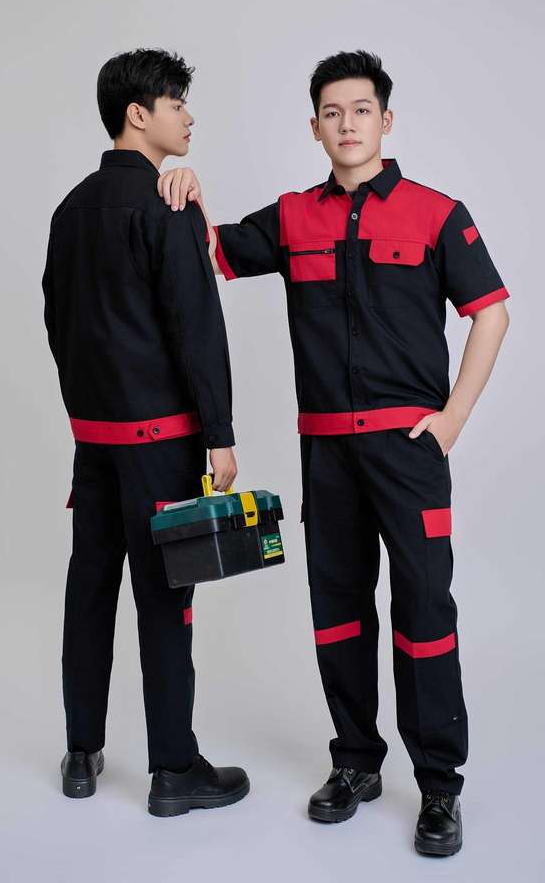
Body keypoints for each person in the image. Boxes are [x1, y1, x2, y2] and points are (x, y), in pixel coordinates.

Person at [157, 50, 510, 855]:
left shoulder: (436, 213)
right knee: (338, 612)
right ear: (314, 127)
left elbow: (491, 311)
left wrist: (452, 419)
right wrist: (184, 187)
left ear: (386, 121)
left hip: (408, 451)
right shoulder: (293, 217)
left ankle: (439, 786)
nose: (347, 124)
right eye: (331, 113)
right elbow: (206, 253)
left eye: (361, 110)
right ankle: (355, 763)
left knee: (424, 614)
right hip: (327, 454)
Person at [42, 48, 249, 817]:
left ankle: (81, 755)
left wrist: (88, 411)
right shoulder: (167, 206)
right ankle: (172, 771)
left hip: (93, 444)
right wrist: (219, 433)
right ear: (139, 114)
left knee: (90, 590)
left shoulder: (70, 210)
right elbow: (196, 328)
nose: (188, 116)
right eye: (176, 103)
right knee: (166, 600)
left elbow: (58, 321)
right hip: (161, 445)